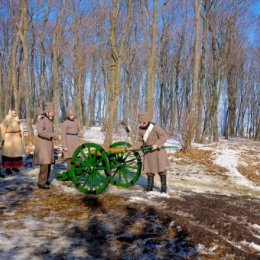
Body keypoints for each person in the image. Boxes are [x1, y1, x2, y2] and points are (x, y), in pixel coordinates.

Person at [134, 112, 170, 193]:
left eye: (143, 123)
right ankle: (150, 186)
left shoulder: (155, 127)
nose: (142, 124)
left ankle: (163, 188)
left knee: (162, 170)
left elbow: (163, 136)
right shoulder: (140, 129)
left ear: (147, 121)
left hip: (158, 151)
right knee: (149, 171)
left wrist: (156, 144)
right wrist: (137, 148)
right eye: (140, 123)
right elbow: (140, 141)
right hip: (148, 152)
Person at [33, 102, 58, 189]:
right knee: (44, 163)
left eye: (53, 112)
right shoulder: (42, 119)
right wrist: (51, 135)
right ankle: (41, 182)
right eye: (52, 112)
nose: (53, 113)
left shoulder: (49, 119)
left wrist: (55, 135)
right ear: (48, 111)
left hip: (48, 144)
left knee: (48, 164)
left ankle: (45, 180)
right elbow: (40, 132)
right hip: (43, 144)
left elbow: (49, 130)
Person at [0, 109, 24, 178]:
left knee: (16, 154)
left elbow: (20, 128)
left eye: (15, 113)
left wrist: (20, 134)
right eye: (13, 113)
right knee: (8, 154)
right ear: (10, 113)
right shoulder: (6, 120)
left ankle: (14, 167)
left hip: (16, 139)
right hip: (8, 138)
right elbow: (2, 129)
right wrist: (3, 139)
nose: (14, 114)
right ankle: (8, 168)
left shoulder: (17, 120)